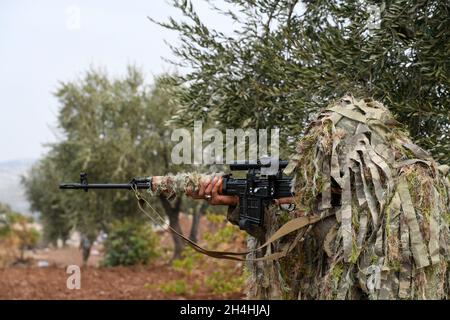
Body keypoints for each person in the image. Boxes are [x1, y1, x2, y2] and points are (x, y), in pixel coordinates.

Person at [185, 95, 450, 300]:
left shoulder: (412, 191)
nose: (326, 180)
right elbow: (302, 259)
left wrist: (319, 221)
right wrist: (241, 204)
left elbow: (379, 279)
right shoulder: (350, 194)